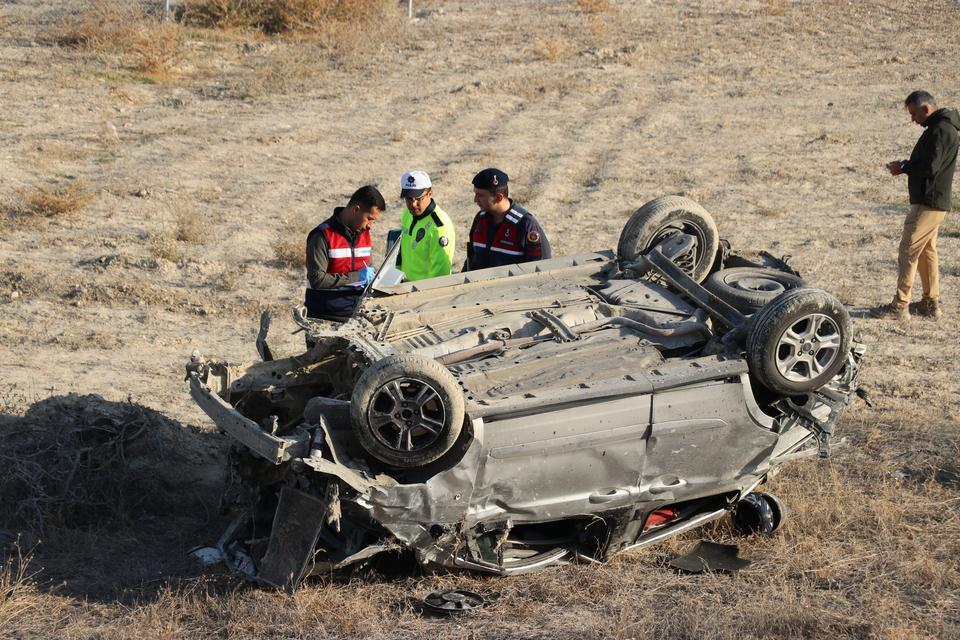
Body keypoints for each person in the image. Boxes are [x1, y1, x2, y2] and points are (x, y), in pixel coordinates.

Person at [873, 90, 959, 321]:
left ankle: (900, 306)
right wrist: (908, 164)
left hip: (927, 202)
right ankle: (931, 303)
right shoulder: (943, 128)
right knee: (926, 252)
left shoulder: (940, 130)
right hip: (934, 202)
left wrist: (904, 168)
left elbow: (930, 168)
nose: (912, 119)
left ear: (925, 109)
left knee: (908, 251)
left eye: (913, 114)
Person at [303, 185, 385, 324]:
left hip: (358, 316)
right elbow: (317, 279)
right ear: (355, 210)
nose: (370, 225)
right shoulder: (322, 236)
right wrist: (357, 276)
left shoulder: (364, 234)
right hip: (325, 318)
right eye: (369, 219)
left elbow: (366, 268)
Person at [464, 168, 552, 271]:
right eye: (475, 194)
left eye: (480, 195)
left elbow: (541, 267)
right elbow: (472, 260)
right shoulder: (480, 219)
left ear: (499, 198)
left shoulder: (525, 224)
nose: (475, 200)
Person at [397, 170, 455, 281]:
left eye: (419, 198)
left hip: (423, 292)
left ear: (430, 193)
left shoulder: (439, 227)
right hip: (403, 287)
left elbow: (440, 275)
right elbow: (401, 253)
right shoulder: (407, 214)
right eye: (409, 198)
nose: (413, 204)